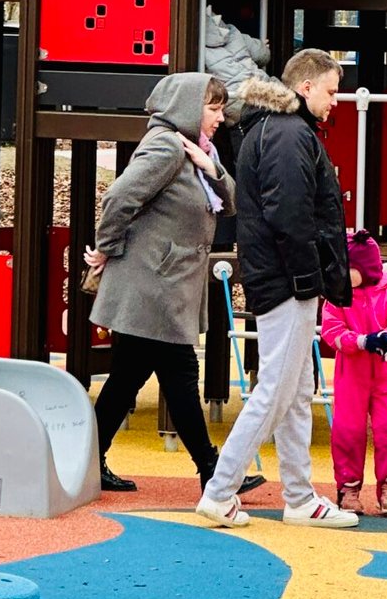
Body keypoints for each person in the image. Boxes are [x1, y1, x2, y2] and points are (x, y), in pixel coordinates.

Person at [197, 48, 358, 529]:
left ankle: (299, 496)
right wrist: (311, 278)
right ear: (305, 87)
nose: (335, 101)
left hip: (275, 275)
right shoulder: (290, 134)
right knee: (277, 390)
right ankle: (220, 491)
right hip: (287, 280)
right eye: (331, 91)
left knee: (295, 388)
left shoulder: (272, 128)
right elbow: (290, 216)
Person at [83, 72, 258, 496]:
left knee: (127, 377)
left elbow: (232, 202)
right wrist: (107, 247)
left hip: (162, 283)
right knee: (180, 373)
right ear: (188, 107)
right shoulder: (165, 146)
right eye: (213, 108)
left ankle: (87, 460)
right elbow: (119, 197)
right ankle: (212, 470)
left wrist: (210, 166)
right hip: (155, 285)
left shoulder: (195, 150)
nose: (220, 118)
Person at [320, 230, 387, 516]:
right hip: (352, 374)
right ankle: (348, 487)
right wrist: (361, 341)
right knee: (348, 429)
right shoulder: (338, 298)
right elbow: (331, 332)